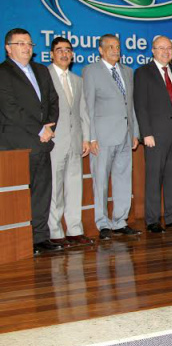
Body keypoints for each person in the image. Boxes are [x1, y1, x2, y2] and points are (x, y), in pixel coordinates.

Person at [0, 28, 60, 254]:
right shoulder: (3, 73)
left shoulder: (41, 70)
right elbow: (10, 109)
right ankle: (20, 241)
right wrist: (38, 129)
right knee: (18, 196)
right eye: (20, 43)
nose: (26, 48)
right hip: (16, 144)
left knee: (42, 191)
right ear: (8, 48)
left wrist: (48, 127)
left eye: (29, 44)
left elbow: (53, 101)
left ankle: (40, 238)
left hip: (42, 142)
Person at [83, 34, 140, 240]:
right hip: (102, 137)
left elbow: (130, 105)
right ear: (100, 50)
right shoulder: (91, 71)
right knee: (101, 182)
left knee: (123, 179)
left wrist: (135, 132)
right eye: (110, 47)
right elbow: (88, 106)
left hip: (126, 135)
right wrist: (91, 137)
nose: (116, 50)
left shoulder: (127, 71)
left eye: (117, 47)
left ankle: (120, 221)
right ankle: (102, 223)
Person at [134, 36, 172, 233]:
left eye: (169, 48)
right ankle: (152, 220)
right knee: (153, 179)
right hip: (155, 136)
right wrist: (146, 133)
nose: (166, 51)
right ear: (153, 50)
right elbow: (140, 106)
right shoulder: (143, 73)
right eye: (161, 48)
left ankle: (171, 216)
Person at [47, 37, 93, 246]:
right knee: (55, 189)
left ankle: (75, 230)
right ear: (52, 54)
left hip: (75, 143)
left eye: (68, 50)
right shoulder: (44, 77)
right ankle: (55, 232)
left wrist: (86, 138)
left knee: (75, 188)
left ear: (72, 54)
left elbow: (83, 112)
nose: (64, 54)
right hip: (54, 143)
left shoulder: (77, 80)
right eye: (59, 50)